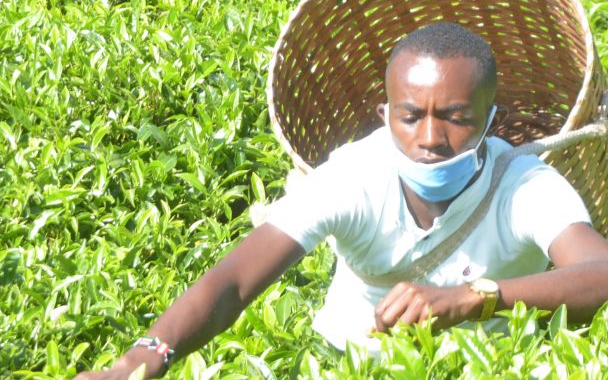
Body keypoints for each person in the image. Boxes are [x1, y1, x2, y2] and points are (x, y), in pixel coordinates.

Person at [76, 22, 608, 379]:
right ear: (385, 116)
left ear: (492, 121)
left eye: (456, 118)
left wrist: (476, 298)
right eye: (410, 116)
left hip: (486, 366)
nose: (429, 138)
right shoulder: (355, 175)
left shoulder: (522, 185)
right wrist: (138, 360)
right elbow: (235, 280)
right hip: (345, 362)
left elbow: (601, 273)